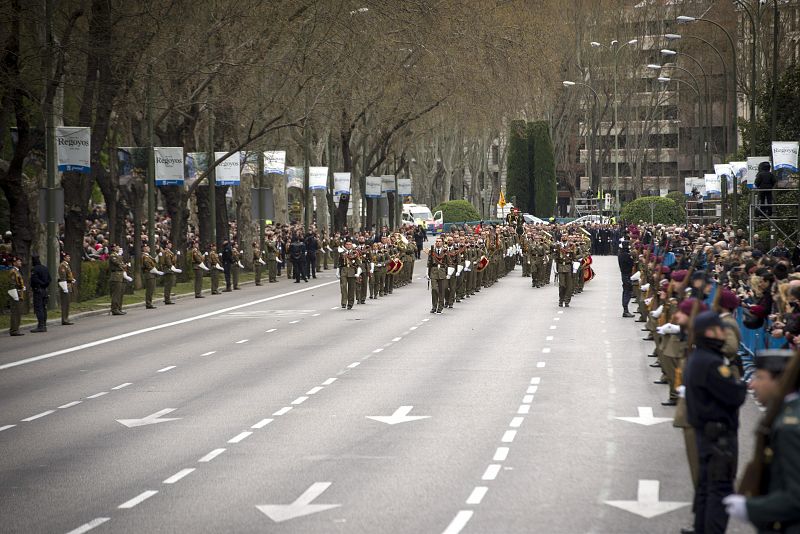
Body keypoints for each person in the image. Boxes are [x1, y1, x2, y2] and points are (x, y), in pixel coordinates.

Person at [684, 310, 747, 534]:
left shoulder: (699, 357)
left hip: (706, 434)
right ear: (710, 332)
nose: (724, 333)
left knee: (705, 487)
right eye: (722, 329)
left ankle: (700, 528)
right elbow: (735, 394)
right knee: (719, 491)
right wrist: (739, 384)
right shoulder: (712, 363)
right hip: (717, 437)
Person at [723, 350, 799, 533]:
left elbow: (796, 497)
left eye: (760, 377)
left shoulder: (789, 427)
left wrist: (751, 508)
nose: (752, 384)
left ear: (780, 381)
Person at [29, 256, 51, 332]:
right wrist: (45, 284)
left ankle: (41, 326)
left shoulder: (34, 269)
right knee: (44, 308)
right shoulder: (45, 268)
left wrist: (40, 284)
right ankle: (44, 325)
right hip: (44, 290)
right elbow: (49, 279)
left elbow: (34, 280)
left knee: (39, 308)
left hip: (38, 290)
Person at [427, 236, 448, 313]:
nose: (438, 242)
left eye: (439, 241)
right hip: (433, 271)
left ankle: (440, 306)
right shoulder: (432, 251)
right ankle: (434, 306)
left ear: (442, 243)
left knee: (442, 290)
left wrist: (449, 273)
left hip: (442, 272)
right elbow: (429, 262)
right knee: (434, 289)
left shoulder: (445, 251)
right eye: (437, 241)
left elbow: (448, 262)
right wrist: (427, 273)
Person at [8, 256, 25, 336]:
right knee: (15, 312)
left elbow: (18, 282)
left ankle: (16, 329)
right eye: (18, 261)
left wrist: (22, 287)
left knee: (18, 312)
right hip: (15, 293)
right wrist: (15, 296)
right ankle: (14, 330)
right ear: (14, 263)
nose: (20, 262)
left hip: (19, 293)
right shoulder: (13, 271)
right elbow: (12, 284)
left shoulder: (17, 271)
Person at [109, 244, 128, 315]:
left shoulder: (117, 255)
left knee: (120, 293)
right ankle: (114, 309)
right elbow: (118, 263)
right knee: (116, 294)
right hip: (116, 276)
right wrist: (120, 256)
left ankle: (119, 308)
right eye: (117, 247)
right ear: (113, 248)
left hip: (121, 275)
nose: (119, 248)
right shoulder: (113, 255)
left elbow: (122, 265)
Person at [618, 238, 635, 317]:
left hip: (624, 274)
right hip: (627, 275)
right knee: (627, 292)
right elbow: (632, 264)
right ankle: (625, 310)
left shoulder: (621, 254)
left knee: (626, 291)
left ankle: (625, 309)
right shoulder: (627, 255)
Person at [57, 252, 75, 324]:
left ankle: (66, 318)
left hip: (68, 285)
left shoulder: (66, 265)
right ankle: (64, 319)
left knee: (67, 303)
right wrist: (65, 287)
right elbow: (63, 277)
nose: (69, 258)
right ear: (64, 258)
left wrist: (72, 279)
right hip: (65, 286)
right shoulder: (62, 265)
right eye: (67, 257)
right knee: (65, 303)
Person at [141, 244, 158, 309]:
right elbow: (147, 265)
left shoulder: (148, 256)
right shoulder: (144, 256)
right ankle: (148, 303)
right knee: (149, 290)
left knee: (151, 289)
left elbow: (155, 261)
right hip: (149, 274)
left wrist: (158, 253)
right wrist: (154, 270)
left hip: (152, 274)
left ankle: (149, 302)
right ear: (144, 249)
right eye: (147, 247)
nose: (149, 248)